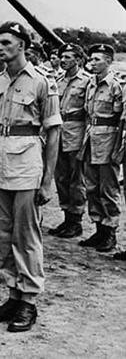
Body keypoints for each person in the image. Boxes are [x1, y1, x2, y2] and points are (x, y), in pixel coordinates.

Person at [0, 22, 61, 332]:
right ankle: (13, 294)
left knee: (26, 235)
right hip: (0, 163)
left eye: (6, 42)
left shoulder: (41, 82)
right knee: (3, 233)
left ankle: (28, 301)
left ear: (22, 45)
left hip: (27, 165)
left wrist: (47, 180)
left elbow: (53, 132)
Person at [78, 44, 123, 253]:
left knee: (108, 189)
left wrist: (117, 149)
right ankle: (99, 230)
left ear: (109, 61)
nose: (92, 63)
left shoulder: (116, 85)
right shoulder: (91, 84)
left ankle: (110, 232)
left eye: (97, 59)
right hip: (90, 139)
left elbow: (121, 119)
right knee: (92, 188)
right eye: (91, 59)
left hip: (108, 140)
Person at [49, 43, 90, 239]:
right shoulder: (58, 80)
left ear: (78, 60)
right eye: (62, 57)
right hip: (59, 132)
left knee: (77, 179)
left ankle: (76, 220)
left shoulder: (87, 81)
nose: (63, 60)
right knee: (61, 178)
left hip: (76, 133)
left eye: (67, 57)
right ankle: (67, 217)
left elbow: (90, 111)